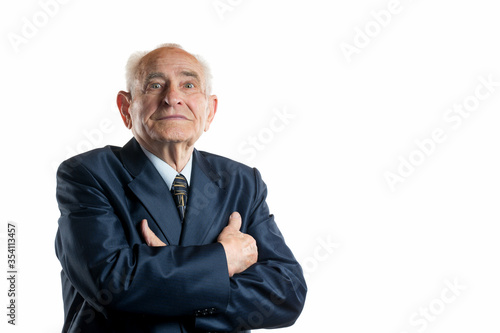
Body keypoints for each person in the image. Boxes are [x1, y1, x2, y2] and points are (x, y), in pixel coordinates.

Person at [55, 43, 307, 332]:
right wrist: (223, 259)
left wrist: (166, 281)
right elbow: (113, 284)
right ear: (126, 108)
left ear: (209, 111)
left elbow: (287, 293)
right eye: (154, 85)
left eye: (188, 85)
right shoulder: (88, 174)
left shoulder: (241, 181)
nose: (172, 97)